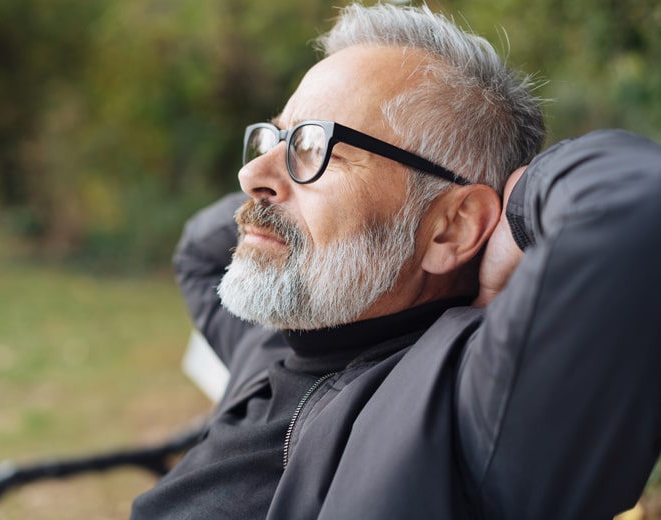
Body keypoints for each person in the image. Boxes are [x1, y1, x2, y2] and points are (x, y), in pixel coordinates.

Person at [130, 3, 661, 519]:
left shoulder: (466, 407)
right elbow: (199, 251)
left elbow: (634, 203)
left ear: (452, 226)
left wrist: (515, 214)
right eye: (276, 137)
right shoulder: (275, 339)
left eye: (317, 148)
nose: (251, 175)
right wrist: (294, 216)